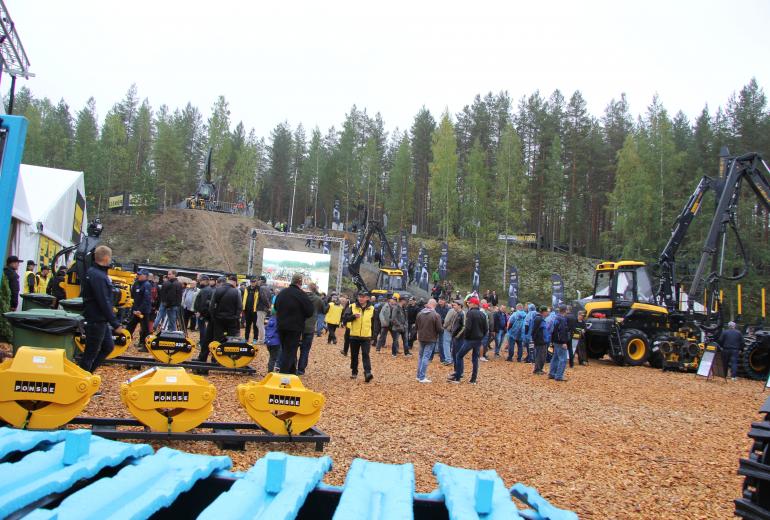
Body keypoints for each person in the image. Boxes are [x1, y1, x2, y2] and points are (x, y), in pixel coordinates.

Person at [79, 245, 126, 374]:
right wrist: (115, 323)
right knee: (90, 353)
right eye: (110, 258)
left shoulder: (96, 273)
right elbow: (103, 301)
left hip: (99, 319)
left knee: (108, 347)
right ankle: (82, 382)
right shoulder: (98, 276)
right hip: (96, 320)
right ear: (106, 258)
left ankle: (88, 376)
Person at [274, 273, 314, 374]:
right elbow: (310, 311)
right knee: (290, 350)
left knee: (285, 348)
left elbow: (275, 307)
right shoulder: (302, 295)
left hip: (281, 325)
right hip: (295, 327)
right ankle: (284, 375)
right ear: (300, 282)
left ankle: (291, 371)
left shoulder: (282, 293)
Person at [448, 297, 486, 384]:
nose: (468, 304)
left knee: (459, 356)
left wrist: (466, 337)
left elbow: (467, 328)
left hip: (470, 340)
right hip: (478, 340)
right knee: (475, 359)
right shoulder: (482, 314)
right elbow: (486, 328)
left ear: (474, 304)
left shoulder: (470, 313)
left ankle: (457, 378)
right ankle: (473, 380)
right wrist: (481, 337)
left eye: (469, 303)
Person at [341, 291, 375, 382]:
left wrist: (374, 337)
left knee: (365, 354)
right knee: (354, 355)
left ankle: (367, 373)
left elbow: (374, 323)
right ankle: (354, 371)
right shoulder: (352, 306)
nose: (361, 298)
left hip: (366, 336)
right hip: (354, 336)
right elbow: (345, 319)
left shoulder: (372, 308)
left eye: (363, 297)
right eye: (360, 296)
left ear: (367, 298)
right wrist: (353, 316)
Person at [299, 283, 328, 375]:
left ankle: (292, 368)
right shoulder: (318, 299)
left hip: (298, 326)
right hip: (310, 328)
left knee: (293, 348)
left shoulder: (300, 297)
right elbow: (324, 311)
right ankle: (301, 369)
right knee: (305, 349)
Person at [209, 274, 242, 348]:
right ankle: (229, 355)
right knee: (231, 338)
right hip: (232, 319)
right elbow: (239, 307)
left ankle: (215, 357)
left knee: (217, 339)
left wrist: (214, 316)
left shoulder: (217, 290)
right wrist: (236, 317)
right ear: (234, 282)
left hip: (218, 319)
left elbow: (211, 306)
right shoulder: (237, 292)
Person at [416, 298, 443, 383]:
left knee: (421, 356)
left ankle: (418, 375)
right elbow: (439, 329)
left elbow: (416, 326)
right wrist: (442, 330)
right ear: (434, 305)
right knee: (425, 357)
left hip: (421, 337)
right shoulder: (436, 315)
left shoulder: (420, 313)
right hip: (431, 338)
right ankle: (422, 377)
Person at [125, 269, 152, 352]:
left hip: (143, 311)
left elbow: (146, 299)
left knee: (145, 329)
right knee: (129, 326)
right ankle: (124, 342)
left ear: (146, 276)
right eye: (138, 274)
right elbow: (133, 296)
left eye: (141, 275)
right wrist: (134, 309)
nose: (139, 275)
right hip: (135, 310)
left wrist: (140, 310)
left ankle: (146, 346)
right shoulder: (136, 283)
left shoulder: (147, 285)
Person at [196, 276, 219, 362]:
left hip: (208, 315)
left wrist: (202, 313)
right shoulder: (210, 290)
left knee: (206, 336)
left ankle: (203, 357)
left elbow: (203, 303)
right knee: (211, 336)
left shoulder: (206, 290)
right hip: (212, 316)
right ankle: (213, 358)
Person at [548, 305, 570, 381]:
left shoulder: (555, 318)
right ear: (565, 310)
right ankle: (559, 376)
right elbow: (562, 331)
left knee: (555, 358)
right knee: (563, 359)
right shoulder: (562, 319)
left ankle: (552, 373)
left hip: (555, 341)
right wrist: (564, 342)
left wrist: (552, 341)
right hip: (560, 342)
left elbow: (552, 330)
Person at [532, 306, 550, 375]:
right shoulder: (538, 319)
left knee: (543, 355)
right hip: (540, 340)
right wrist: (535, 339)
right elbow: (534, 330)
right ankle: (537, 369)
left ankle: (540, 369)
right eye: (547, 311)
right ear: (544, 312)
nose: (547, 313)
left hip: (543, 340)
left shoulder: (541, 319)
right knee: (540, 355)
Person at [242, 278, 260, 342]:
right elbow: (244, 298)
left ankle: (255, 339)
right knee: (247, 325)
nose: (253, 283)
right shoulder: (247, 288)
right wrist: (243, 308)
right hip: (248, 310)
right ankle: (246, 338)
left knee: (255, 326)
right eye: (251, 282)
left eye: (254, 281)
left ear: (256, 282)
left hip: (255, 311)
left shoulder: (258, 289)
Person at [435, 296, 451, 364]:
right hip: (435, 326)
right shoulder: (436, 307)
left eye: (442, 300)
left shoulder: (447, 309)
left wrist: (441, 320)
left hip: (443, 327)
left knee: (441, 343)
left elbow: (447, 319)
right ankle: (430, 357)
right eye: (439, 299)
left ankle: (442, 358)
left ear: (445, 301)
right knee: (433, 341)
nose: (440, 301)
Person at [256, 275, 271, 343]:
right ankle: (263, 339)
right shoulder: (267, 287)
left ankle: (262, 340)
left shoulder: (262, 288)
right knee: (258, 324)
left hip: (262, 308)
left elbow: (264, 298)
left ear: (262, 280)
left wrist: (268, 306)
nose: (257, 281)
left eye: (258, 280)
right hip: (263, 308)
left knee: (260, 324)